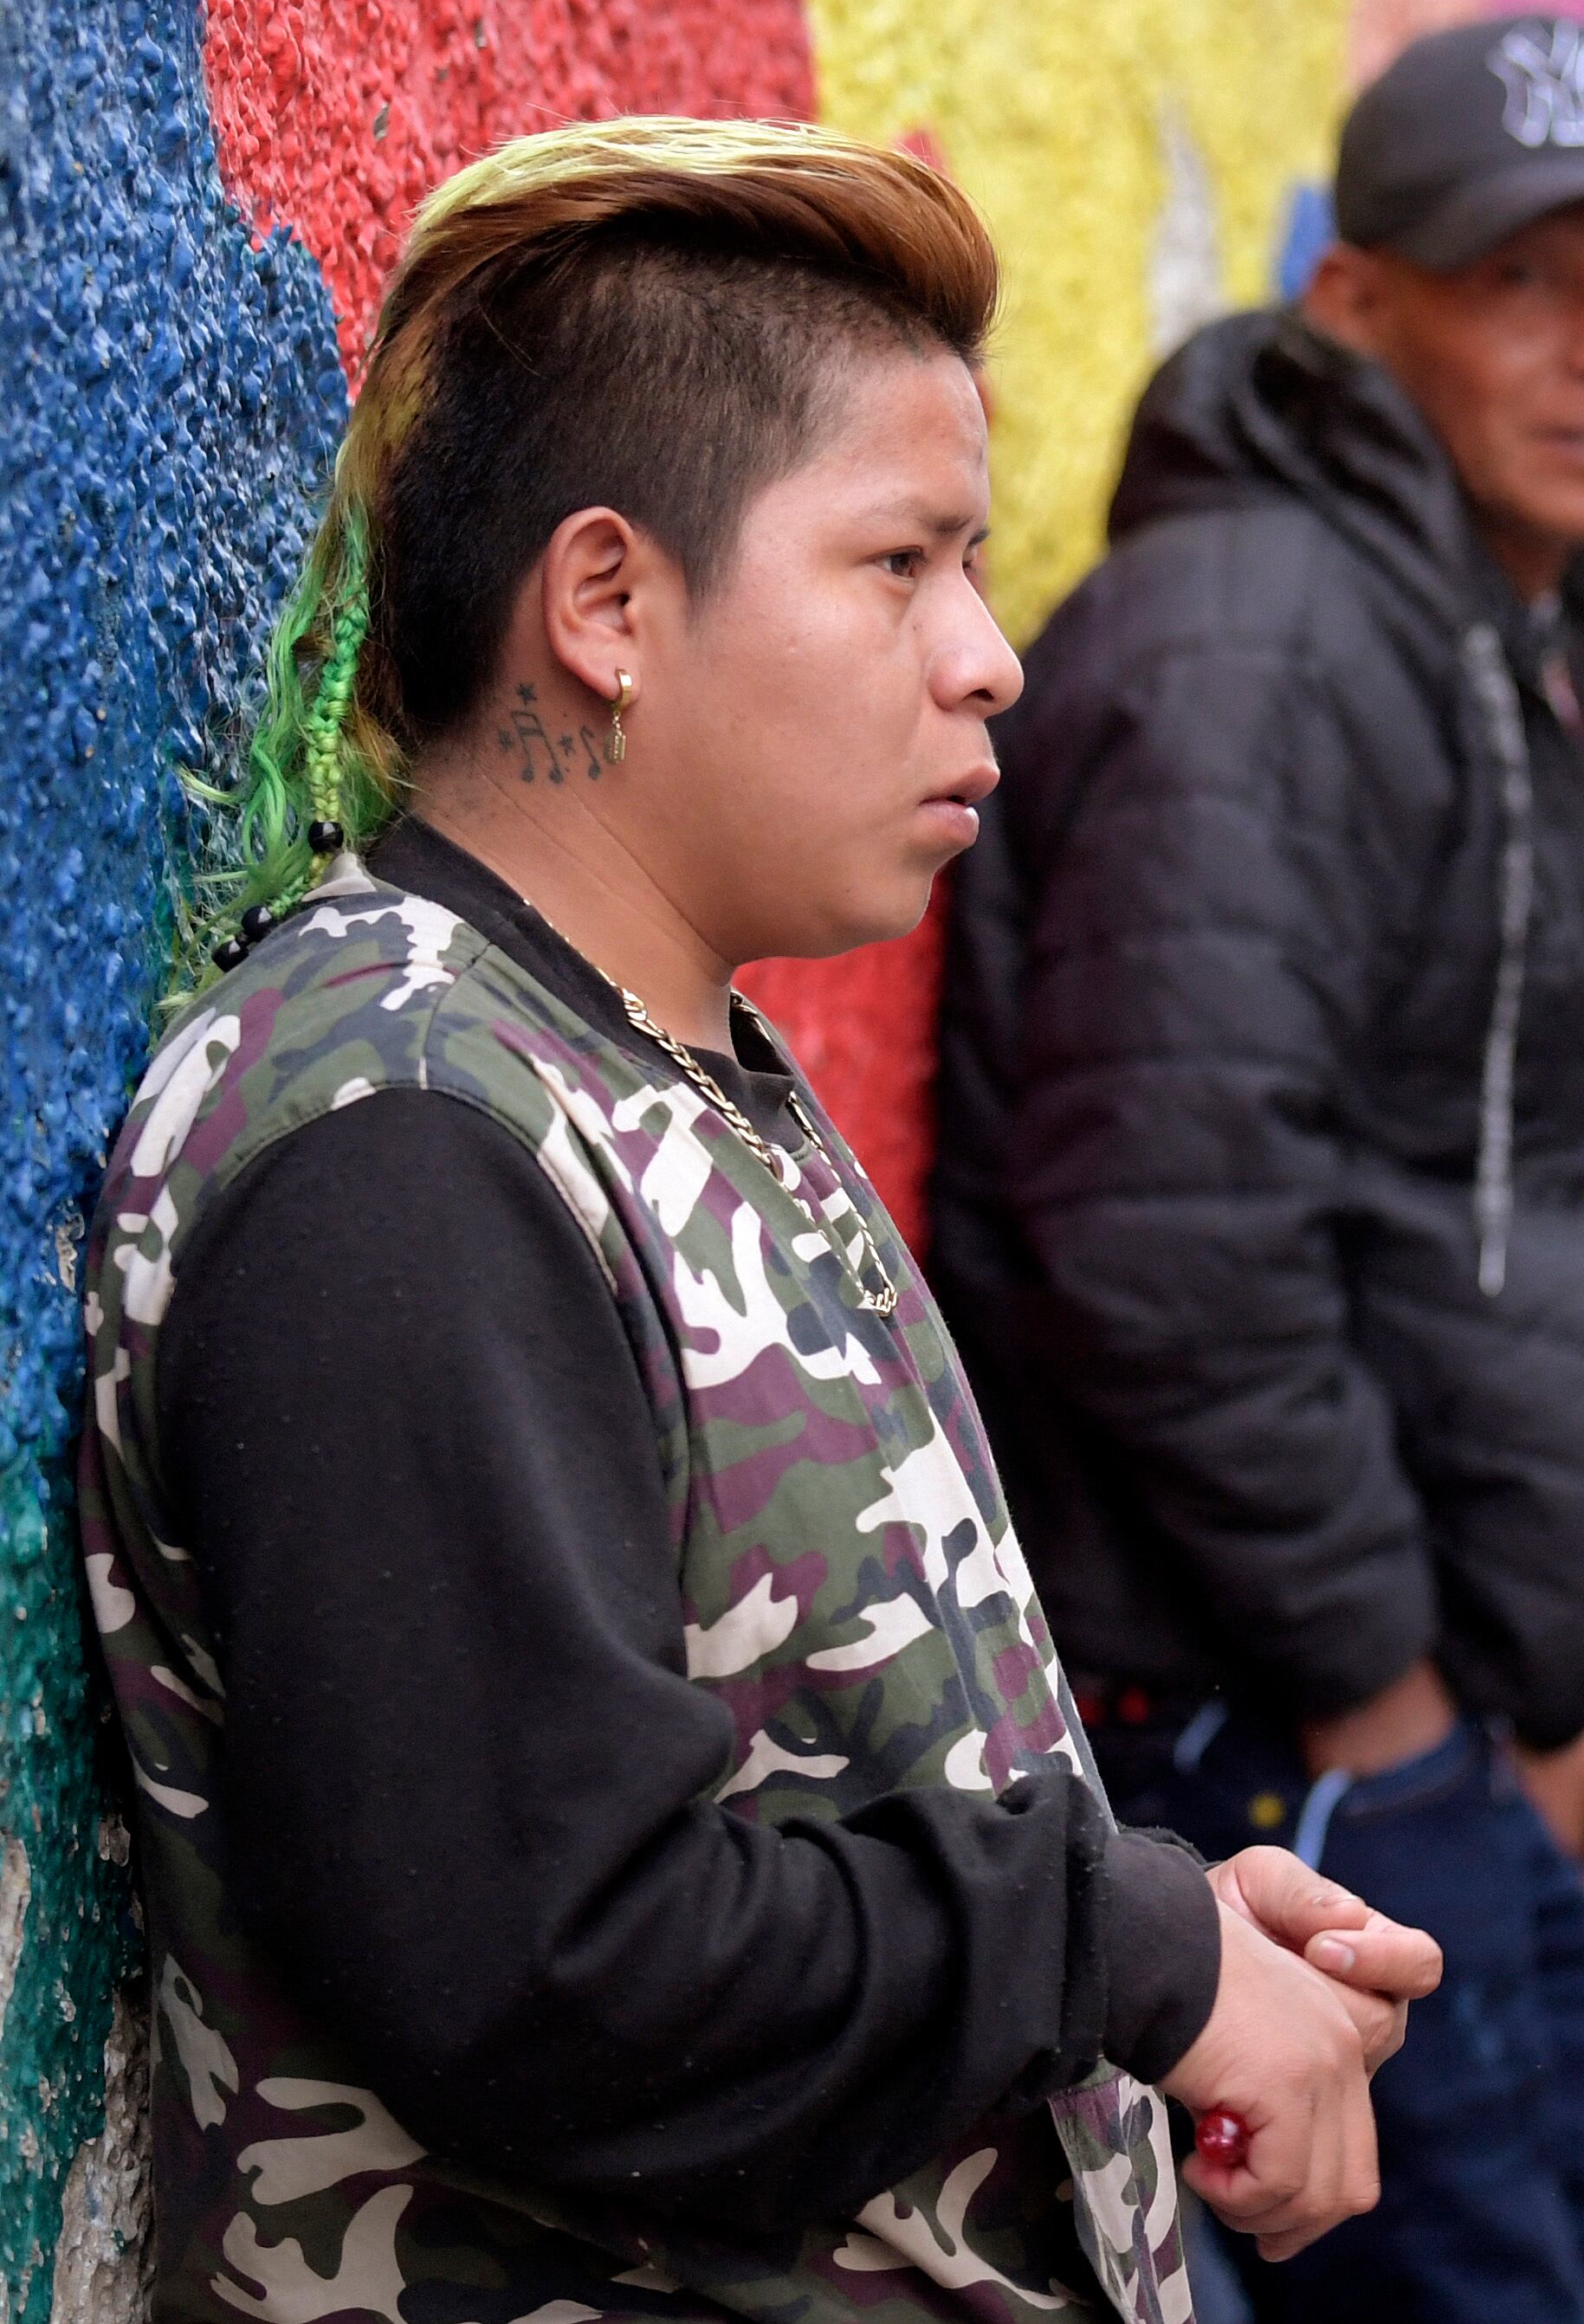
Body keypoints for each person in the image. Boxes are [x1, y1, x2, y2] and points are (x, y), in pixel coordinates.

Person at [78, 120, 1442, 2324]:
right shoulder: (408, 1141)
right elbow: (564, 1974)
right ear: (611, 604)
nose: (988, 656)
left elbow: (818, 1785)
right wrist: (1127, 1946)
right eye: (901, 565)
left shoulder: (646, 1054)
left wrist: (1160, 1934)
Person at [930, 17, 1584, 2319]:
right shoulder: (1262, 652)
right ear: (1359, 314)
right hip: (1273, 1734)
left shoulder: (1503, 609)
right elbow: (1167, 1247)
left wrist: (1548, 1686)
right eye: (1524, 286)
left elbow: (1467, 1192)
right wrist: (1384, 1701)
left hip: (1409, 1720)